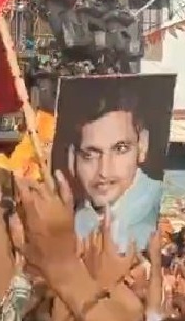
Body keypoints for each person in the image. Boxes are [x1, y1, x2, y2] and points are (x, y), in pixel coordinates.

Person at [65, 84, 162, 252]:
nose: (104, 171)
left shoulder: (164, 211)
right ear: (72, 157)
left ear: (143, 145)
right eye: (90, 154)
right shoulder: (66, 221)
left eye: (120, 149)